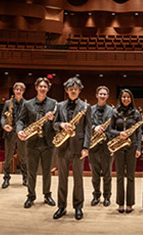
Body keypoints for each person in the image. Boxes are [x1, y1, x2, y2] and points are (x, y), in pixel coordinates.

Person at [53, 77, 91, 221]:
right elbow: (54, 124)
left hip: (78, 147)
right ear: (66, 90)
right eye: (70, 88)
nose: (73, 91)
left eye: (76, 88)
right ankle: (61, 207)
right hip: (63, 147)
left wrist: (86, 147)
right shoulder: (60, 105)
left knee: (78, 179)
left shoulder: (86, 107)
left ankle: (78, 207)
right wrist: (61, 125)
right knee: (62, 179)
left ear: (79, 90)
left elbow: (88, 128)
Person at [16, 77, 56, 209]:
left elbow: (57, 122)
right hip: (32, 142)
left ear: (48, 89)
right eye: (41, 86)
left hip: (47, 142)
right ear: (36, 87)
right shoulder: (27, 104)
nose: (43, 89)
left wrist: (52, 119)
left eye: (45, 87)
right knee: (31, 171)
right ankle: (31, 195)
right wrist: (19, 130)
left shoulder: (54, 104)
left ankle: (47, 194)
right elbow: (20, 120)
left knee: (46, 171)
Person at [109, 89, 142, 213]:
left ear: (131, 99)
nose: (126, 99)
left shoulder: (136, 114)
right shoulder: (115, 112)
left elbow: (139, 132)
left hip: (132, 146)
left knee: (131, 176)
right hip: (118, 147)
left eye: (128, 97)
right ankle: (120, 203)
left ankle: (130, 203)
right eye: (124, 97)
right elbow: (110, 130)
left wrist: (139, 148)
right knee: (119, 176)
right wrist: (119, 134)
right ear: (120, 99)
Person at [88, 85, 114, 207]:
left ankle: (107, 197)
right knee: (95, 174)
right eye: (101, 94)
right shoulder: (90, 110)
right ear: (96, 95)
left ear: (107, 96)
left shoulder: (112, 111)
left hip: (106, 146)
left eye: (105, 94)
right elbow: (86, 126)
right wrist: (94, 127)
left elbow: (114, 129)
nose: (102, 96)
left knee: (107, 174)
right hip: (93, 146)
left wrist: (113, 146)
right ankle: (96, 195)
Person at [1, 82, 28, 189]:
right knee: (8, 157)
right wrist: (4, 125)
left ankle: (25, 178)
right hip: (9, 132)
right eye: (17, 89)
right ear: (14, 90)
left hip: (21, 133)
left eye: (20, 90)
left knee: (23, 157)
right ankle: (6, 178)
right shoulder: (8, 103)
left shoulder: (27, 103)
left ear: (23, 91)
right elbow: (3, 116)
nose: (18, 91)